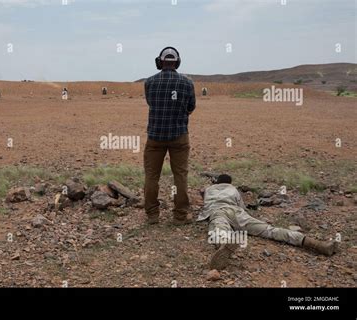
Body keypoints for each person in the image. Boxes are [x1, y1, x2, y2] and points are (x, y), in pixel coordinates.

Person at [198, 174, 339, 270]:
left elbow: (204, 200)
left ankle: (224, 244)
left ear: (216, 182)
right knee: (269, 230)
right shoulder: (233, 189)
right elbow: (242, 206)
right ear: (230, 183)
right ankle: (317, 244)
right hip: (237, 212)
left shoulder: (209, 189)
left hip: (218, 211)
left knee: (219, 228)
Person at [143, 47, 196, 225]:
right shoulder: (187, 83)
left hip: (155, 136)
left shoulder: (149, 82)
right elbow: (191, 107)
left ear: (160, 62)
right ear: (177, 62)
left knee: (151, 176)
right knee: (180, 175)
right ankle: (180, 216)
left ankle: (152, 215)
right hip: (179, 136)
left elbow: (151, 102)